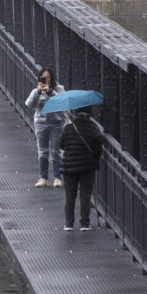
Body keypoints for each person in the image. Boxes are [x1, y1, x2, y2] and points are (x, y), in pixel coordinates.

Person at [59, 103, 104, 231]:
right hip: (87, 166)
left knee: (70, 195)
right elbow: (98, 147)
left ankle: (68, 224)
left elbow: (61, 145)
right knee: (85, 194)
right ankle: (85, 223)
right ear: (89, 114)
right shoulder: (93, 128)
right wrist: (94, 158)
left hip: (68, 166)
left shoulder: (68, 128)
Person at [25, 67, 65, 188]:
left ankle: (57, 177)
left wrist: (50, 92)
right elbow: (30, 105)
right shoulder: (36, 90)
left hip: (56, 123)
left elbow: (61, 102)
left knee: (55, 150)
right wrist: (38, 92)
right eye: (43, 77)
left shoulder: (59, 89)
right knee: (42, 150)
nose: (46, 80)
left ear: (52, 78)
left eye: (48, 77)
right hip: (41, 123)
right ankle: (43, 178)